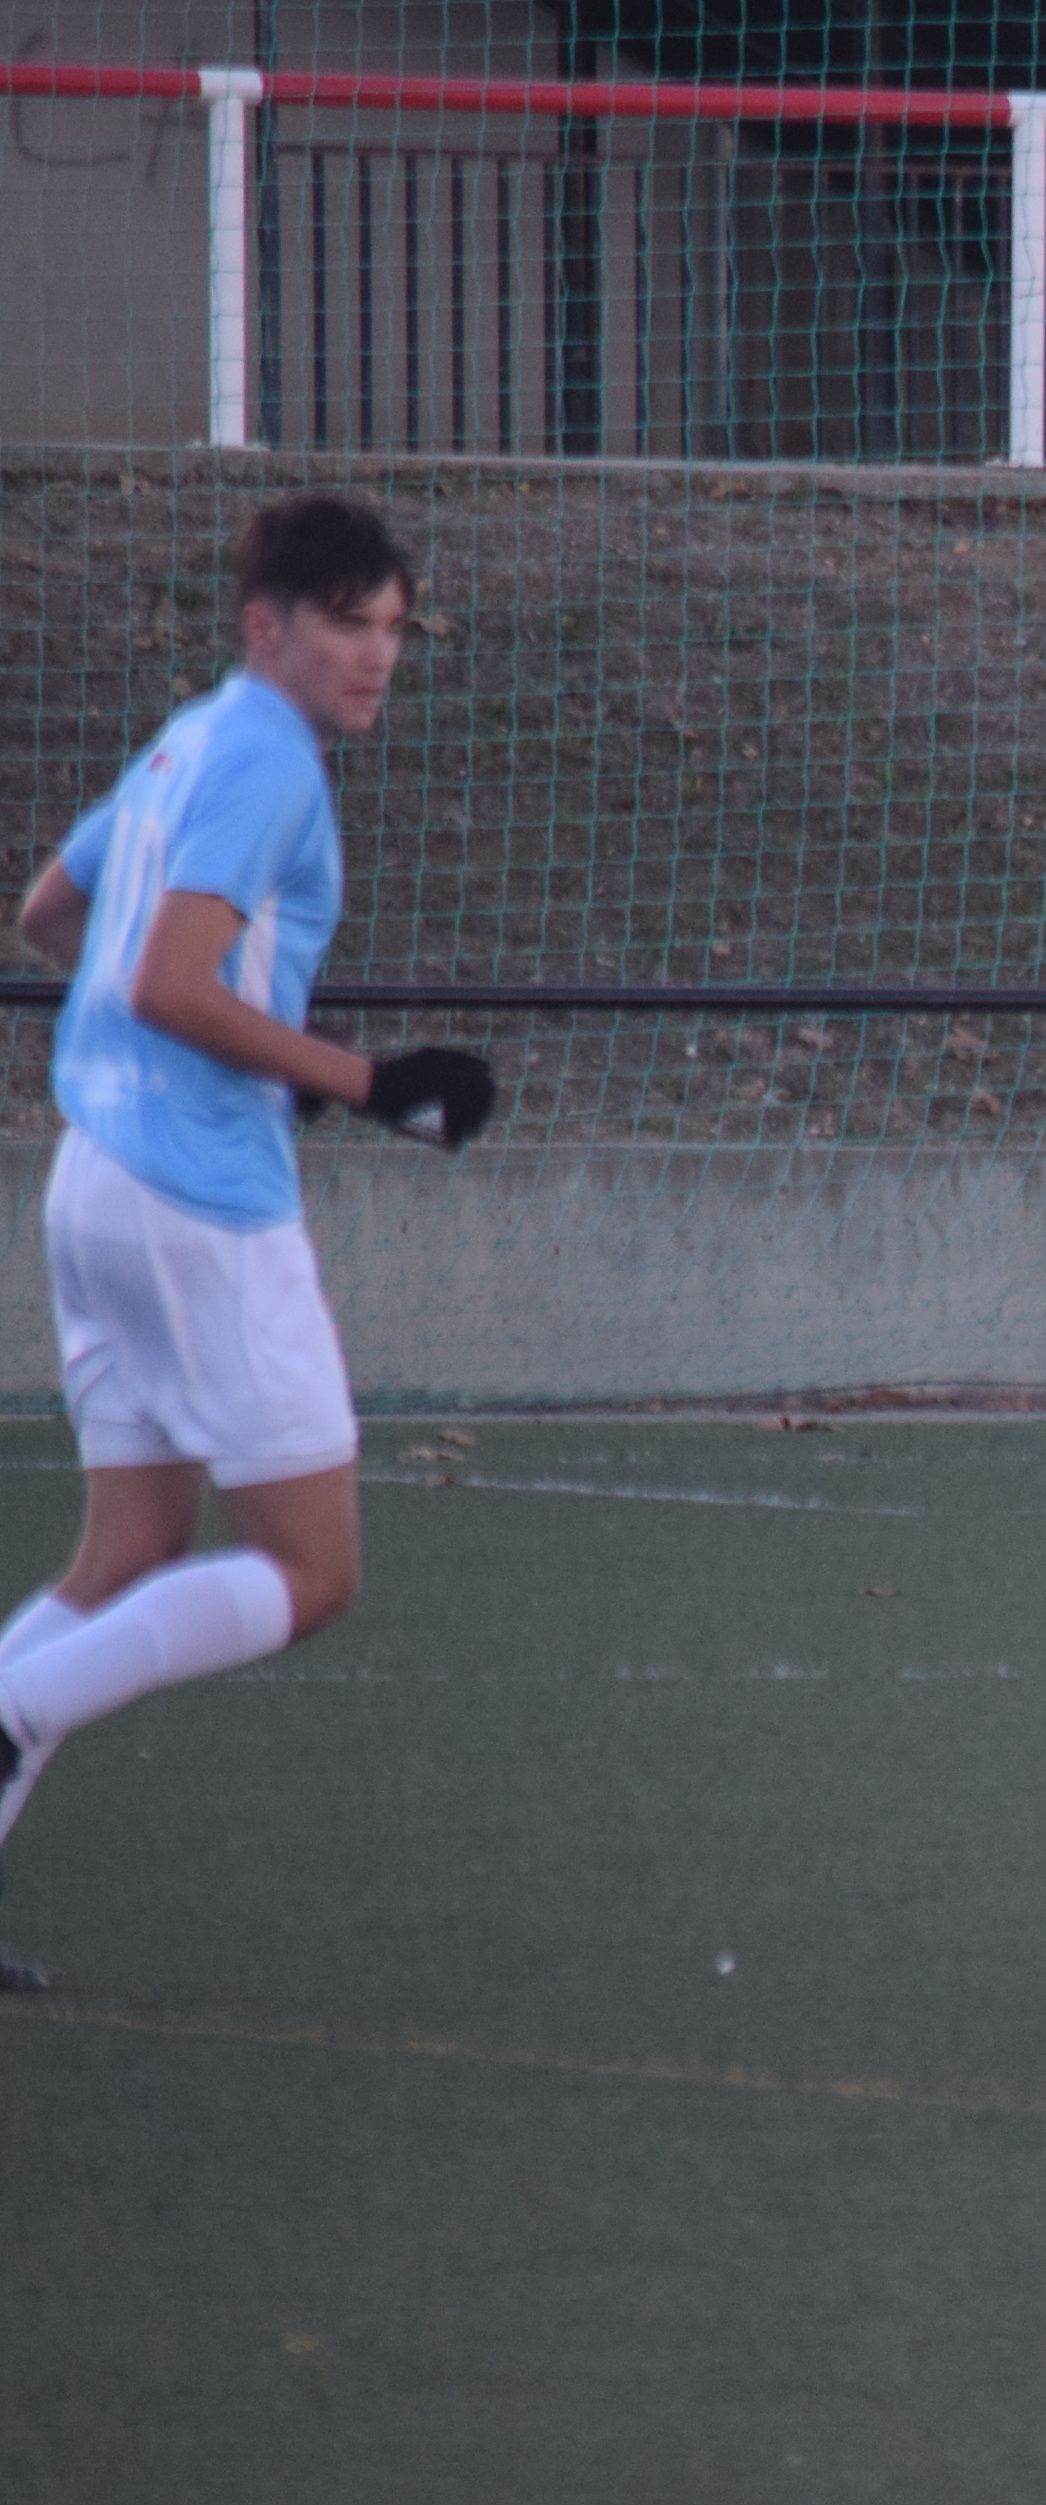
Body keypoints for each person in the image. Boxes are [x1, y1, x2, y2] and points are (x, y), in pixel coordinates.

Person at [0, 494, 495, 1978]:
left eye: (394, 628)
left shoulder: (185, 740)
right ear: (263, 624)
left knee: (132, 1551)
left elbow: (45, 916)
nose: (377, 656)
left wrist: (168, 1043)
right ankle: (16, 1714)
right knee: (313, 1573)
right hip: (199, 1205)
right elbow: (165, 983)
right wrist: (372, 1083)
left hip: (95, 1183)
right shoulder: (267, 760)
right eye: (349, 622)